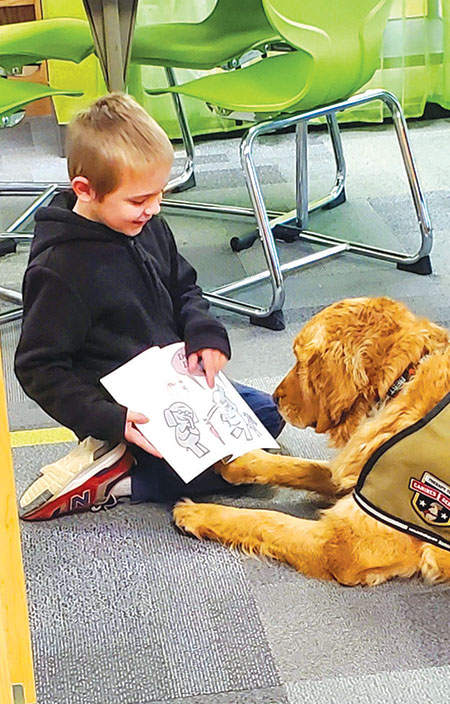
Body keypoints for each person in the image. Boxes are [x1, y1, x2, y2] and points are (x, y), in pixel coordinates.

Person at [15, 93, 284, 521]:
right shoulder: (60, 270)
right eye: (140, 200)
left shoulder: (147, 224)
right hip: (122, 408)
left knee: (270, 415)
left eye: (159, 194)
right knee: (247, 469)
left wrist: (205, 335)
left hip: (174, 384)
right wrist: (109, 418)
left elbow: (184, 286)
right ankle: (124, 480)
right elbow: (37, 368)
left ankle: (135, 464)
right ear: (85, 190)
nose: (154, 209)